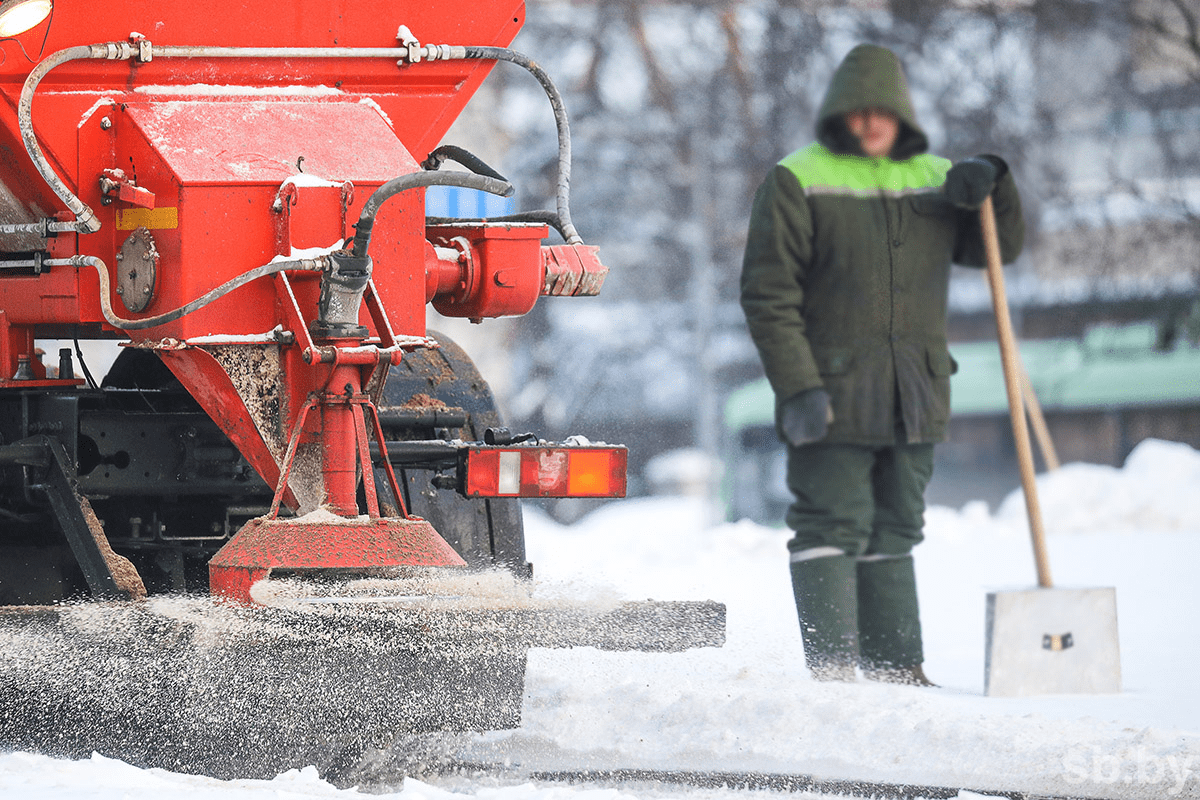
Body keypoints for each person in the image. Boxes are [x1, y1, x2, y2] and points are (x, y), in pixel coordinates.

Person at [739, 43, 1024, 684]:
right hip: (830, 393)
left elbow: (999, 250)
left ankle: (898, 673)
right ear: (841, 114)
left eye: (883, 112)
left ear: (900, 117)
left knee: (895, 528)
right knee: (830, 524)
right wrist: (799, 387)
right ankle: (836, 677)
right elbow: (767, 294)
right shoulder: (798, 178)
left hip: (915, 393)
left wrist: (995, 183)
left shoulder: (936, 177)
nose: (871, 123)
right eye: (860, 111)